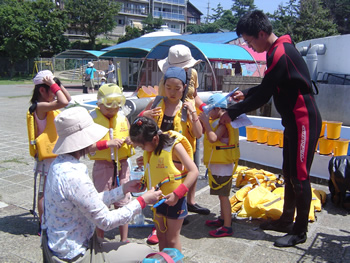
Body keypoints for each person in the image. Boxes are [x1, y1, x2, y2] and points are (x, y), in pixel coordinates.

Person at [219, 10, 322, 247]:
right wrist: (244, 93)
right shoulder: (277, 51)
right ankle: (286, 221)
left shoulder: (281, 54)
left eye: (250, 40)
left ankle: (299, 231)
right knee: (289, 172)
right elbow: (269, 86)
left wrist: (231, 112)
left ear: (262, 33)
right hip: (293, 121)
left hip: (304, 120)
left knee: (300, 175)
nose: (250, 45)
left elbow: (264, 96)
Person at [42, 107, 162, 262]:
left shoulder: (58, 165)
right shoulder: (75, 175)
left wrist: (123, 189)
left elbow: (89, 201)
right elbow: (106, 221)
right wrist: (142, 201)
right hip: (76, 254)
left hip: (61, 246)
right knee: (146, 253)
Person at [139, 66, 205, 244]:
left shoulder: (186, 107)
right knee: (156, 195)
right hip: (156, 159)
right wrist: (144, 115)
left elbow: (199, 134)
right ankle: (157, 228)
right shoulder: (155, 103)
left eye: (177, 88)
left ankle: (172, 233)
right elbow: (138, 126)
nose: (173, 92)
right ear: (163, 85)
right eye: (169, 87)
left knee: (173, 198)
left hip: (177, 164)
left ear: (184, 87)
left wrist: (193, 112)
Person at [129, 116, 199, 252]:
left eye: (142, 146)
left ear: (154, 139)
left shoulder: (174, 146)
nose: (142, 149)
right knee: (161, 235)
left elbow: (194, 171)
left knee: (172, 239)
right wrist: (143, 180)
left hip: (175, 200)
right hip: (158, 201)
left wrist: (177, 194)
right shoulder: (151, 148)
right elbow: (156, 168)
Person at [157, 44, 210, 216]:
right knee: (172, 164)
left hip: (190, 116)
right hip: (173, 116)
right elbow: (160, 97)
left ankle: (189, 201)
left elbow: (194, 95)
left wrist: (203, 108)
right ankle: (173, 201)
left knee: (193, 160)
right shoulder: (166, 77)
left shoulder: (193, 74)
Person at [88, 84, 134, 241]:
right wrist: (107, 144)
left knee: (124, 202)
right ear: (98, 104)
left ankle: (124, 238)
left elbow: (133, 139)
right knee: (100, 203)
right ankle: (99, 238)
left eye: (116, 107)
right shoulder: (91, 120)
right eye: (108, 107)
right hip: (103, 166)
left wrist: (131, 139)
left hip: (122, 165)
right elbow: (86, 147)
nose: (113, 111)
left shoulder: (123, 119)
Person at [27, 70, 71, 236]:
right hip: (46, 161)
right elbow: (64, 102)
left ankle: (52, 220)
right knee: (44, 193)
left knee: (54, 191)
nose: (55, 92)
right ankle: (43, 224)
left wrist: (57, 83)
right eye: (51, 89)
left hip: (54, 155)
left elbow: (68, 100)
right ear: (42, 90)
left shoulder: (48, 104)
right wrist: (54, 84)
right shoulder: (40, 107)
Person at [199, 93, 240, 237]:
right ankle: (223, 219)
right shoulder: (217, 121)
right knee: (220, 195)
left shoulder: (223, 123)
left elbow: (213, 138)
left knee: (223, 196)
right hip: (219, 166)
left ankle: (227, 226)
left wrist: (205, 122)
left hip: (224, 167)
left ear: (217, 109)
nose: (209, 113)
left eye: (210, 110)